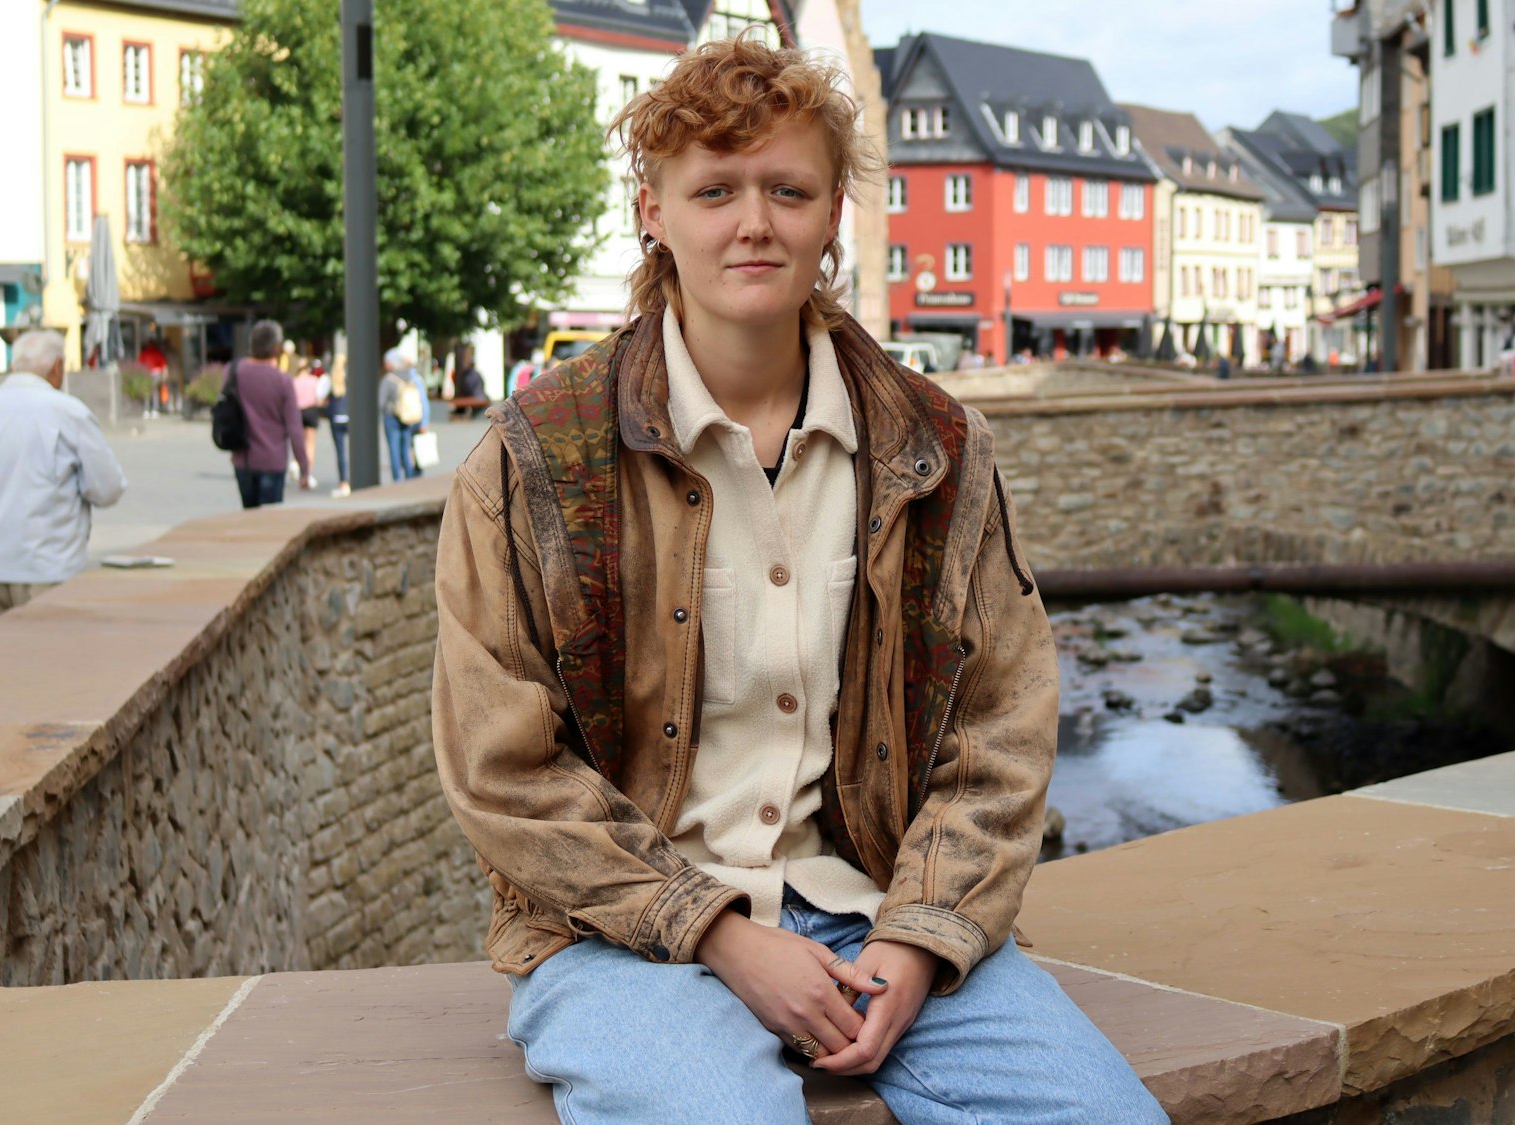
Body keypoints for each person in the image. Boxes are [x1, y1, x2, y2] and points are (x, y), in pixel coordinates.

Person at [430, 37, 1165, 1125]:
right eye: (714, 190)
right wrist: (717, 933)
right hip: (616, 936)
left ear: (831, 217)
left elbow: (999, 725)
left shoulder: (933, 445)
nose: (752, 222)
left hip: (871, 910)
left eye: (787, 190)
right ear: (654, 210)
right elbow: (503, 770)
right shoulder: (537, 457)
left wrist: (920, 938)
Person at [0, 329, 128, 626]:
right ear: (57, 367)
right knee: (49, 665)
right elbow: (108, 488)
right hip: (47, 568)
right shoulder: (68, 412)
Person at [228, 320, 310, 508]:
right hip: (272, 460)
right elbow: (294, 428)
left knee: (250, 518)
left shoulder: (234, 372)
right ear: (276, 348)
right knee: (270, 524)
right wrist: (303, 467)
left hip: (243, 459)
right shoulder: (282, 381)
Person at [380, 346, 425, 481]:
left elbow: (381, 401)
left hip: (392, 417)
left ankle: (397, 479)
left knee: (394, 448)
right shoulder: (410, 377)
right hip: (408, 417)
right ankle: (409, 476)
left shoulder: (389, 379)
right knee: (405, 448)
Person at [326, 352, 352, 497]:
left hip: (336, 417)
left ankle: (344, 482)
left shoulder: (331, 379)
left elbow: (320, 394)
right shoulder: (351, 376)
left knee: (340, 451)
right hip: (349, 416)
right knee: (354, 450)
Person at [293, 360, 322, 490]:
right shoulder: (314, 381)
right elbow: (319, 398)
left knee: (300, 442)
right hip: (311, 411)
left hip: (298, 411)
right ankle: (307, 473)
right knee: (310, 444)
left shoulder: (294, 381)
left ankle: (298, 466)